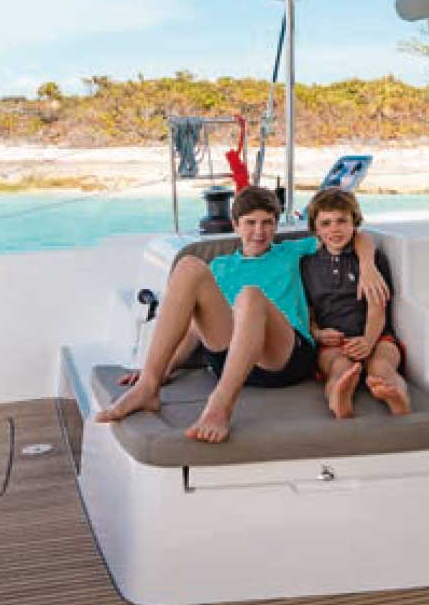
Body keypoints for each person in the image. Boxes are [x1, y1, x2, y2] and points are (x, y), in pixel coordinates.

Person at [94, 186, 388, 443]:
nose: (259, 231)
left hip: (284, 358)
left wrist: (367, 266)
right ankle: (148, 386)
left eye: (267, 223)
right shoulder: (220, 266)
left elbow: (356, 235)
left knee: (250, 296)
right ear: (235, 224)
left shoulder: (291, 251)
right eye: (250, 223)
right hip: (230, 356)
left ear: (276, 226)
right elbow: (196, 328)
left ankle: (220, 407)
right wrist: (165, 367)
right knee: (188, 267)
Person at [301, 188, 410, 418]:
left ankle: (397, 398)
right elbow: (308, 310)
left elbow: (377, 307)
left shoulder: (372, 260)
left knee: (382, 367)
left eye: (342, 221)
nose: (335, 229)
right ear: (316, 229)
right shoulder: (308, 264)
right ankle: (339, 398)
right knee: (339, 368)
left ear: (354, 223)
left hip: (376, 336)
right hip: (334, 343)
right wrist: (318, 333)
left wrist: (368, 341)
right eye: (326, 223)